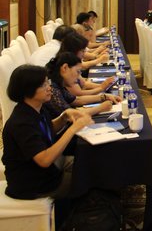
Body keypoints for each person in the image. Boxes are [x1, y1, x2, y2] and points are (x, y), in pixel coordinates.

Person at [2, 65, 93, 227]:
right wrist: (73, 129)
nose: (49, 87)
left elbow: (47, 129)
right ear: (28, 90)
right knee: (91, 178)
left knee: (88, 162)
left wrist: (64, 117)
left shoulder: (35, 108)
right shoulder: (21, 122)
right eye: (43, 84)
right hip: (33, 184)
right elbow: (44, 160)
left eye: (48, 82)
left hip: (46, 174)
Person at [44, 52, 120, 118]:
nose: (78, 77)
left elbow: (76, 100)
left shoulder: (58, 83)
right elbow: (70, 116)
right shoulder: (52, 89)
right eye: (77, 71)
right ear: (65, 68)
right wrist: (100, 108)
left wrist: (104, 97)